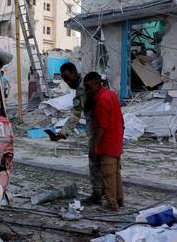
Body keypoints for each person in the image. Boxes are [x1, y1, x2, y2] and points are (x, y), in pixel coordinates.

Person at [50, 62, 102, 205]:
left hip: (97, 128)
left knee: (95, 161)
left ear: (74, 72)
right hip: (103, 126)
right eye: (65, 80)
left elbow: (75, 115)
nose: (68, 82)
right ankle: (108, 194)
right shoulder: (89, 81)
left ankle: (98, 194)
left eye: (68, 78)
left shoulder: (82, 88)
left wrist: (63, 133)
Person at [83, 71, 125, 211]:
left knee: (107, 175)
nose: (88, 90)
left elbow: (102, 126)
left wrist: (95, 145)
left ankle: (112, 204)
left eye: (89, 87)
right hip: (116, 139)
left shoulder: (101, 100)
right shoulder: (111, 94)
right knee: (115, 173)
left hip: (107, 142)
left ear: (97, 84)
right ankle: (119, 200)